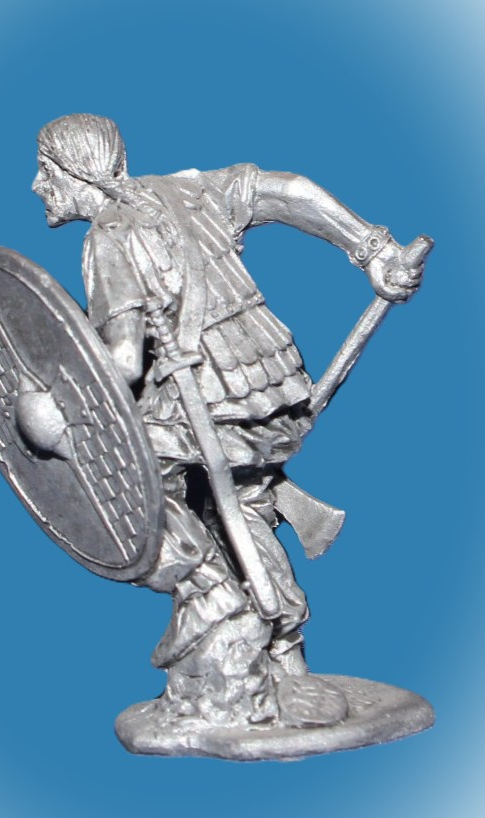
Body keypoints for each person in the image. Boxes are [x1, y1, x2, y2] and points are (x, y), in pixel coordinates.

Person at [32, 113, 423, 728]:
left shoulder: (107, 237)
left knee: (136, 495)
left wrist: (54, 397)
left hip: (198, 403)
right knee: (238, 506)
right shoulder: (185, 190)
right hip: (269, 385)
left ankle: (219, 606)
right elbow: (287, 190)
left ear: (74, 171)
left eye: (45, 170)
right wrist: (373, 249)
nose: (38, 185)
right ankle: (287, 658)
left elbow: (124, 361)